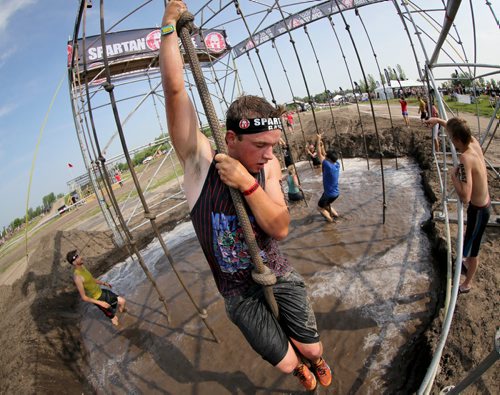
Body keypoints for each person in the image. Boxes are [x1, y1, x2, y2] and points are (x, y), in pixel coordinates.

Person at [159, 1, 332, 390]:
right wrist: (169, 27)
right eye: (260, 145)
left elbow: (281, 227)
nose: (270, 154)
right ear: (232, 140)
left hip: (277, 271)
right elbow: (175, 91)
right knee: (287, 363)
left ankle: (315, 360)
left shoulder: (266, 168)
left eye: (273, 143)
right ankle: (301, 368)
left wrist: (247, 181)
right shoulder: (200, 165)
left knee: (311, 345)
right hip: (238, 292)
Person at [425, 117, 491, 294]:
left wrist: (453, 176)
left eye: (450, 137)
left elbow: (465, 197)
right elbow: (453, 127)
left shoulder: (465, 157)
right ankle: (466, 263)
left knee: (472, 250)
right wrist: (438, 120)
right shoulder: (473, 142)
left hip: (478, 210)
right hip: (484, 205)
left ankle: (467, 283)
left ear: (456, 140)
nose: (449, 140)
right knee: (469, 244)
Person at [67, 250, 126, 326]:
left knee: (122, 301)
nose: (81, 257)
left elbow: (91, 279)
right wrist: (100, 303)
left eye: (78, 255)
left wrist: (104, 283)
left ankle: (122, 312)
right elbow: (84, 297)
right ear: (74, 262)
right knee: (115, 320)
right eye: (77, 257)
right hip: (97, 298)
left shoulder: (83, 267)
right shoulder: (77, 277)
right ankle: (119, 329)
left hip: (101, 292)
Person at [316, 134, 340, 223]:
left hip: (328, 194)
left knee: (319, 207)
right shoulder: (337, 164)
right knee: (327, 204)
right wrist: (322, 147)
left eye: (326, 156)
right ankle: (336, 215)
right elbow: (325, 155)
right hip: (336, 193)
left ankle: (330, 220)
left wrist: (318, 140)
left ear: (328, 159)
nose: (325, 156)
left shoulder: (327, 165)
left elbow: (319, 154)